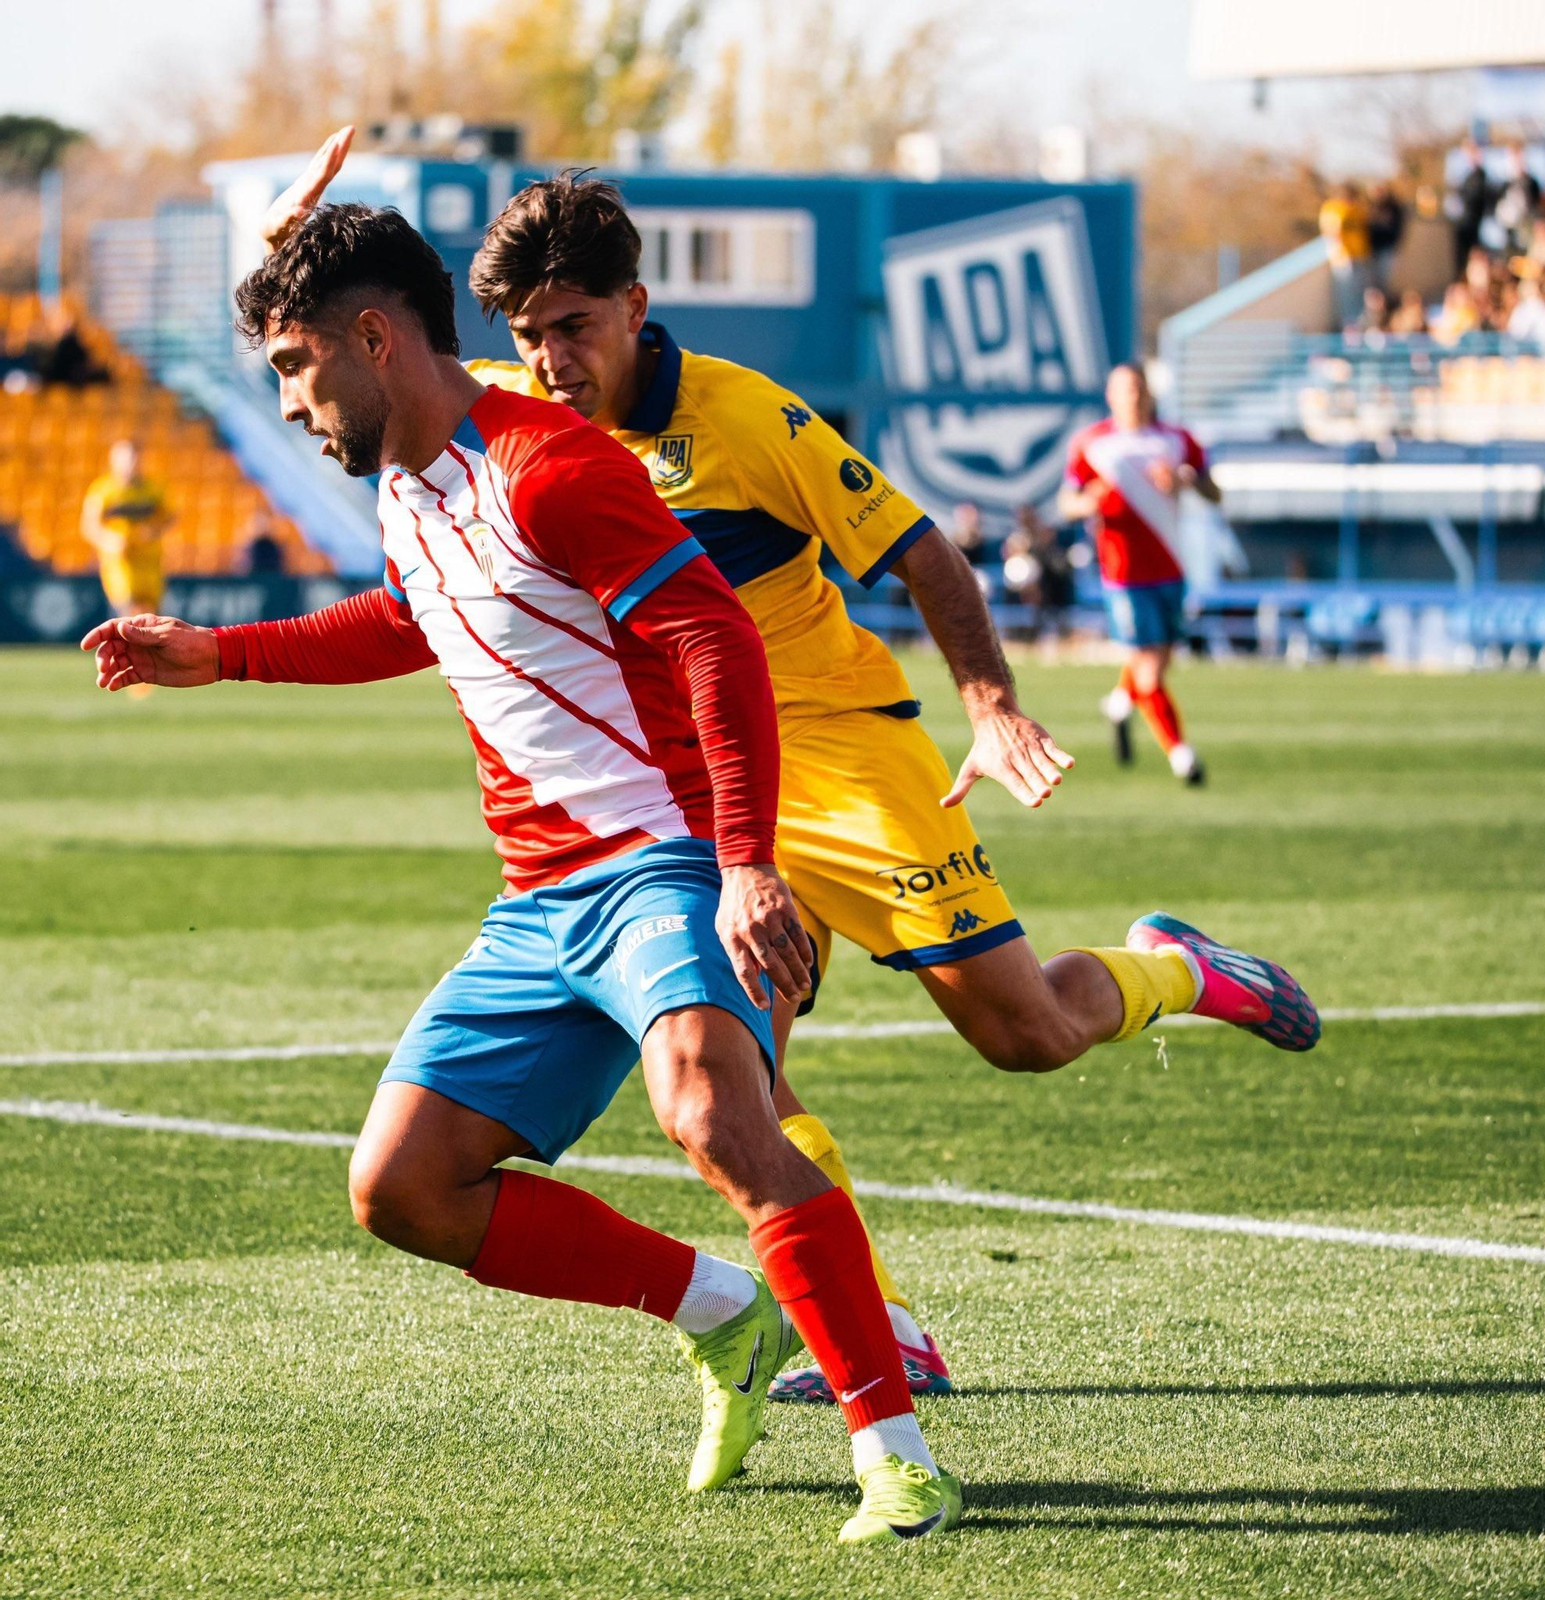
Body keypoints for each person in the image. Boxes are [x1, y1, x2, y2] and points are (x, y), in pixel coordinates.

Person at [265, 137, 1322, 1415]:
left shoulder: (751, 419)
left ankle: (1182, 969)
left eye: (575, 328)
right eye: (528, 334)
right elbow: (364, 347)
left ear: (636, 308)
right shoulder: (506, 403)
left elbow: (925, 554)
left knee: (1023, 1031)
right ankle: (872, 1326)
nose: (550, 362)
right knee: (737, 1081)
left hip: (835, 753)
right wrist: (287, 250)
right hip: (695, 789)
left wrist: (987, 703)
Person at [80, 201, 962, 1546]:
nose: (293, 405)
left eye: (294, 368)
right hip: (538, 901)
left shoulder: (550, 465)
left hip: (665, 860)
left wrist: (742, 867)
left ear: (374, 340)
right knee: (402, 1190)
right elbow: (410, 614)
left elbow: (715, 638)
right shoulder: (411, 482)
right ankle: (722, 1316)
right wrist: (226, 650)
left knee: (718, 1118)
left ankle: (895, 1455)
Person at [1059, 364, 1218, 786]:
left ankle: (1117, 703)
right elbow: (1067, 503)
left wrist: (1186, 481)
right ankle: (1182, 756)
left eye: (1138, 388)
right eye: (1123, 390)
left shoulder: (1176, 440)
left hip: (1170, 567)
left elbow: (1213, 491)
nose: (1132, 397)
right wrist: (1088, 503)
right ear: (1110, 396)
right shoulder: (1092, 443)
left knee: (1159, 662)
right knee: (1148, 668)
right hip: (1123, 574)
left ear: (1148, 392)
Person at [82, 439, 170, 697]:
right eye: (124, 458)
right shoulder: (103, 491)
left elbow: (170, 516)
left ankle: (150, 669)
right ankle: (133, 671)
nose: (129, 464)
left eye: (133, 458)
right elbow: (90, 526)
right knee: (131, 613)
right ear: (113, 460)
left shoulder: (153, 489)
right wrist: (109, 540)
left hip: (150, 562)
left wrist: (153, 530)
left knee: (151, 616)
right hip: (121, 564)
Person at [1319, 182, 1371, 329]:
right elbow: (1332, 234)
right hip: (1343, 258)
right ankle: (1348, 324)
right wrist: (1341, 254)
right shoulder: (1332, 209)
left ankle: (1360, 323)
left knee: (1360, 291)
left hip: (1360, 255)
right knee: (1346, 292)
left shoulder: (1356, 209)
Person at [1446, 140, 1490, 276]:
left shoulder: (1480, 176)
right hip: (1463, 224)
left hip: (1473, 225)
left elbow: (1475, 199)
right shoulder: (1466, 176)